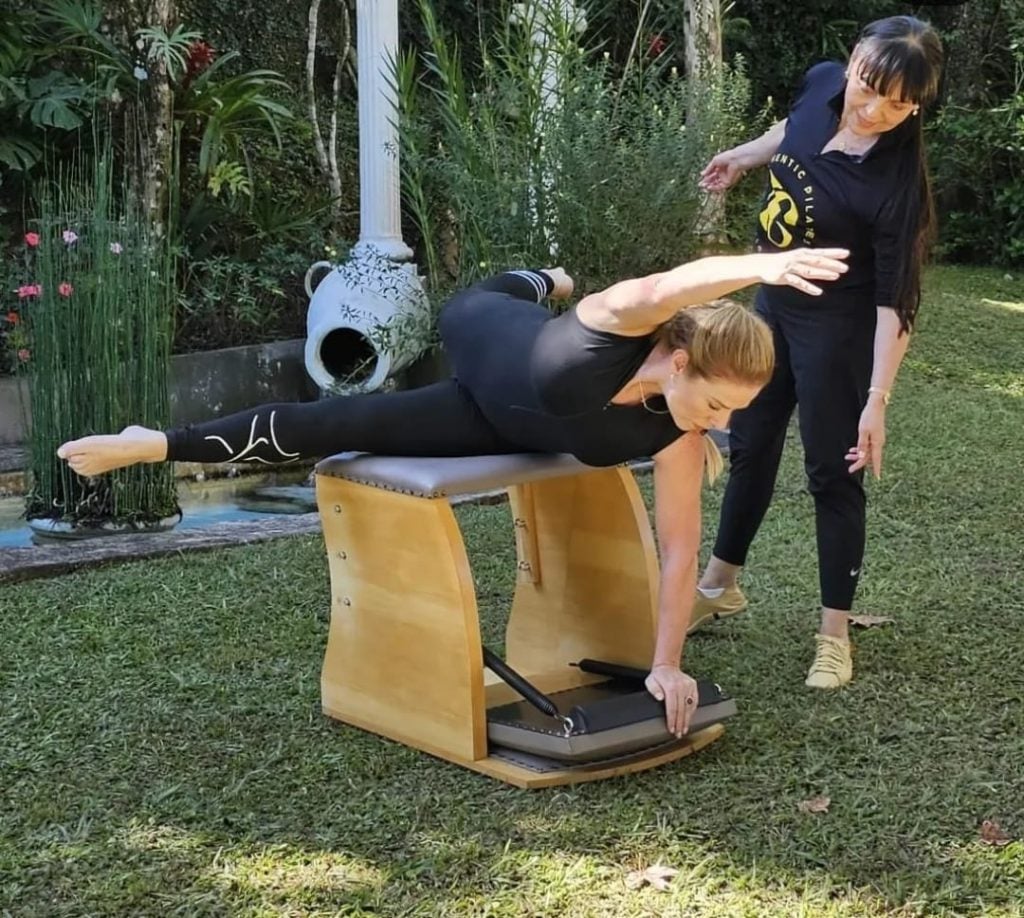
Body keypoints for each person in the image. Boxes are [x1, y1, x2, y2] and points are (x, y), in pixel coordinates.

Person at [58, 248, 848, 733]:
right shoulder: (611, 329)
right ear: (680, 362)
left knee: (346, 421)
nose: (718, 425)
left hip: (489, 420)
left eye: (730, 417)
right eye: (716, 404)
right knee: (431, 336)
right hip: (486, 337)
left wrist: (666, 663)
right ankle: (156, 443)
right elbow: (675, 282)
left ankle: (543, 277)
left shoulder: (675, 434)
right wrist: (764, 268)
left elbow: (679, 554)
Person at [693, 15, 944, 689]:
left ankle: (834, 635)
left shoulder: (895, 186)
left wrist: (877, 400)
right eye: (868, 87)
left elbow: (897, 301)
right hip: (772, 307)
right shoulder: (821, 84)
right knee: (748, 443)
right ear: (854, 59)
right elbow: (792, 131)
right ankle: (719, 587)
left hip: (837, 331)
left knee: (833, 474)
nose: (873, 111)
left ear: (915, 105)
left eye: (896, 104)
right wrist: (748, 155)